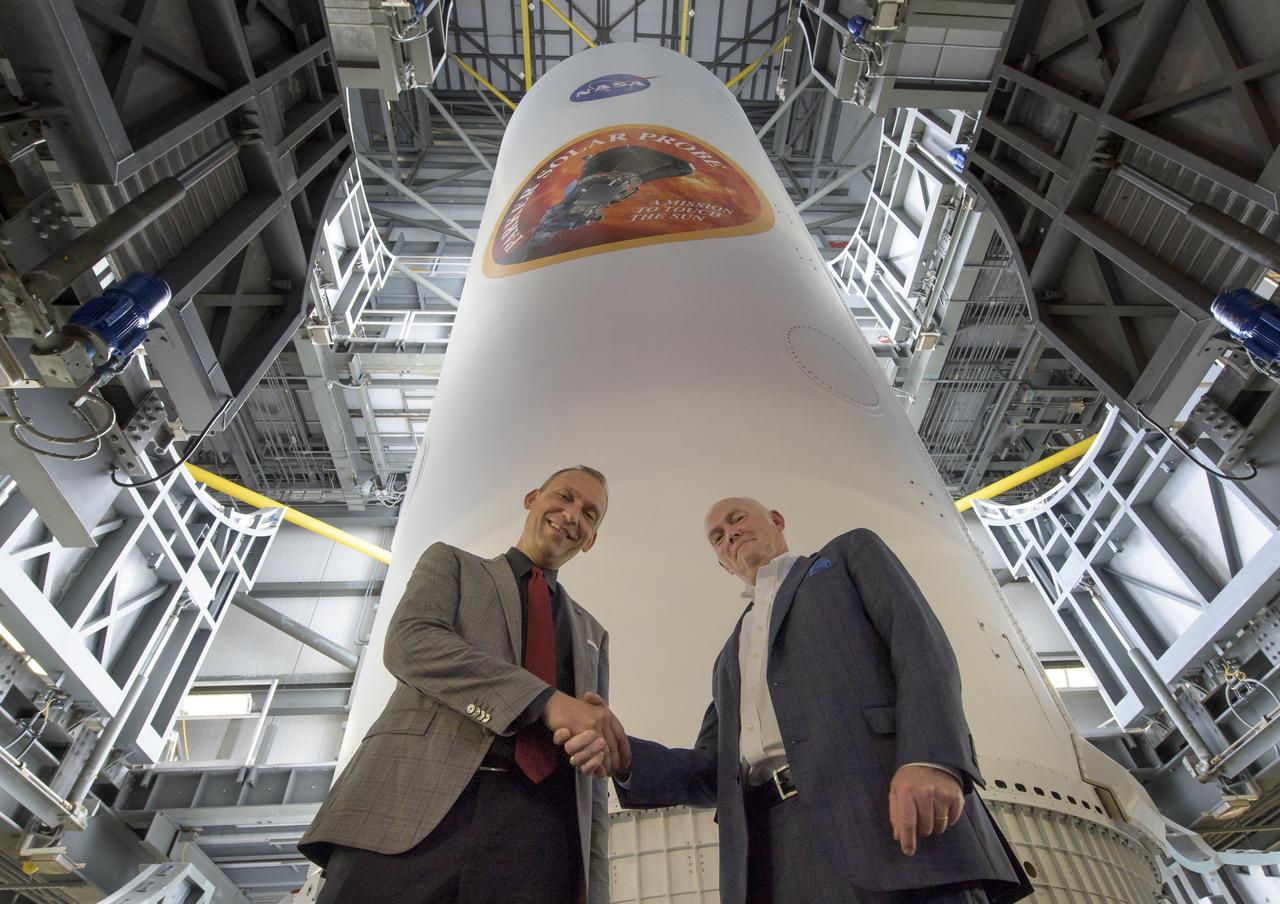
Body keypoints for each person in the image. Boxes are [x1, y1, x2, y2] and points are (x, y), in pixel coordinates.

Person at [563, 497, 1031, 904]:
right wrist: (624, 755)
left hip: (884, 815)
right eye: (718, 537)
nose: (730, 535)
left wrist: (931, 758)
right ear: (722, 564)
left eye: (737, 519)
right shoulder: (728, 659)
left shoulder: (847, 557)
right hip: (774, 849)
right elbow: (711, 768)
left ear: (776, 520)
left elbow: (920, 647)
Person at [300, 466, 630, 904]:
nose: (572, 515)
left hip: (540, 841)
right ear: (532, 498)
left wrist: (595, 887)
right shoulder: (451, 563)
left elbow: (593, 770)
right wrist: (545, 701)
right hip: (412, 809)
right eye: (564, 497)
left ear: (590, 540)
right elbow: (411, 643)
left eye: (589, 514)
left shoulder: (593, 635)